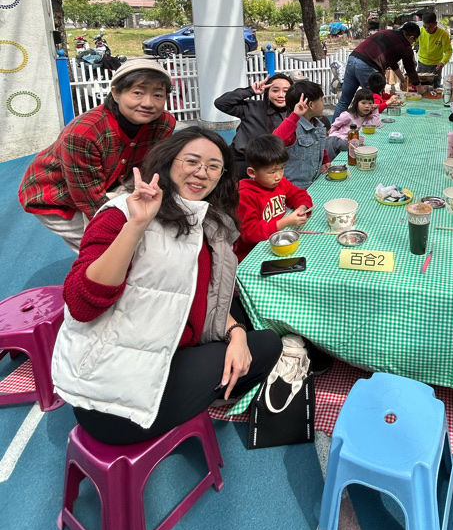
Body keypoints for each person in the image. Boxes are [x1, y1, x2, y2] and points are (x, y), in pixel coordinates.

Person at [50, 127, 283, 444]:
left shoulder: (205, 220)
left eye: (213, 166)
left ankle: (211, 381)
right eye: (192, 161)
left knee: (244, 316)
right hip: (114, 398)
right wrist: (136, 226)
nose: (201, 172)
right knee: (269, 345)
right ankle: (213, 394)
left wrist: (237, 334)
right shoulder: (123, 215)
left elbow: (203, 298)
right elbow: (81, 305)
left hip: (165, 353)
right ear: (168, 162)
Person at [18, 58, 175, 252]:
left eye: (158, 95)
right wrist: (123, 233)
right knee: (107, 247)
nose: (148, 103)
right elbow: (91, 202)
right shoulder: (84, 134)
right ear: (115, 93)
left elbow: (152, 167)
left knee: (141, 236)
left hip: (111, 180)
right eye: (137, 93)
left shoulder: (163, 123)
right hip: (57, 193)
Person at [234, 135, 312, 261]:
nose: (279, 176)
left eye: (282, 168)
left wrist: (302, 208)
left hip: (277, 242)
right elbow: (249, 233)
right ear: (252, 172)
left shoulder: (281, 183)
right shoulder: (244, 195)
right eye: (272, 172)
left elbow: (299, 195)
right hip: (252, 255)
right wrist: (286, 222)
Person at [333, 22, 425, 119]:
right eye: (414, 41)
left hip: (353, 59)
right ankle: (373, 126)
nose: (412, 43)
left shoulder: (388, 33)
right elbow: (410, 68)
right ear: (411, 37)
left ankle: (334, 127)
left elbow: (392, 62)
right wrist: (419, 86)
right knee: (373, 101)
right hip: (368, 64)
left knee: (344, 101)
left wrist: (402, 80)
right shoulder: (405, 44)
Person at [214, 72, 293, 179]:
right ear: (267, 92)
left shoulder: (294, 114)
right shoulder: (251, 107)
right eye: (275, 90)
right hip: (242, 161)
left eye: (286, 91)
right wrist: (251, 90)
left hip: (272, 166)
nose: (281, 95)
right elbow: (221, 103)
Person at [273, 79, 329, 189]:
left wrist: (325, 160)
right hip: (294, 187)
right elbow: (276, 141)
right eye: (321, 100)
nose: (323, 103)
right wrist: (295, 115)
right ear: (311, 105)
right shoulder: (292, 127)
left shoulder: (317, 124)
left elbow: (319, 145)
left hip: (314, 182)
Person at [327, 88, 382, 159]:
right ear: (356, 103)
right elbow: (333, 128)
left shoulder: (367, 116)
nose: (367, 106)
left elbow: (376, 125)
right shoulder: (347, 115)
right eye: (363, 103)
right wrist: (343, 138)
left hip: (356, 143)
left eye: (370, 103)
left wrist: (375, 110)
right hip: (342, 142)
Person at [416, 11, 452, 88]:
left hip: (436, 66)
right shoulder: (420, 31)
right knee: (420, 87)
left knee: (435, 88)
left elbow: (448, 51)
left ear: (435, 24)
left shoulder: (443, 34)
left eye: (430, 27)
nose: (427, 29)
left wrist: (442, 62)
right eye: (425, 26)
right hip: (422, 64)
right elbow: (410, 43)